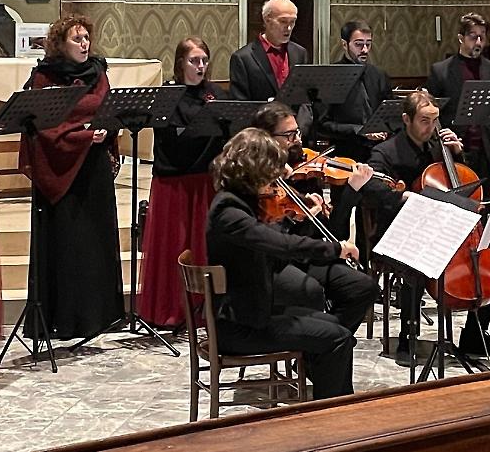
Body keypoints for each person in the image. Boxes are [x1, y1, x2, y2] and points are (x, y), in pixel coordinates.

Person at [354, 91, 490, 361]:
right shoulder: (386, 152)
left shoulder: (440, 148)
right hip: (401, 229)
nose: (432, 127)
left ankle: (475, 334)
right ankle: (408, 337)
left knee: (487, 251)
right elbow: (370, 187)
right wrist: (401, 196)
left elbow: (463, 185)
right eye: (425, 121)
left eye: (435, 120)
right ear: (407, 119)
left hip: (443, 225)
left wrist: (459, 155)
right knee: (417, 262)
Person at [206, 127, 359, 400]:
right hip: (240, 328)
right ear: (254, 169)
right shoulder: (229, 212)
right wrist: (335, 249)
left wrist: (295, 220)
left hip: (251, 314)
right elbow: (280, 246)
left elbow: (274, 248)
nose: (276, 178)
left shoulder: (240, 204)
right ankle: (333, 413)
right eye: (271, 170)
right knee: (337, 338)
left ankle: (330, 401)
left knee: (336, 328)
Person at [18, 15, 124, 342]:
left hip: (93, 168)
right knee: (68, 243)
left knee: (96, 241)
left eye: (86, 38)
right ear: (60, 44)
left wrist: (109, 127)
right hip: (61, 168)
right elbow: (43, 125)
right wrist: (80, 136)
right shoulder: (44, 76)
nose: (84, 44)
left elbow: (108, 108)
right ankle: (65, 319)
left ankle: (100, 316)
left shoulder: (97, 72)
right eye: (77, 39)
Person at [250, 102, 379, 335]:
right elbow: (269, 239)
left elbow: (332, 233)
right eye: (289, 135)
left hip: (310, 257)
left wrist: (350, 191)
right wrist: (297, 218)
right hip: (278, 263)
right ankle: (326, 342)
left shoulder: (305, 173)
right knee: (311, 292)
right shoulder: (257, 180)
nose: (298, 140)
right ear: (266, 139)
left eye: (297, 132)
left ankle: (328, 343)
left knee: (364, 287)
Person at [139, 37, 227, 328]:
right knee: (174, 243)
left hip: (205, 179)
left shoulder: (215, 94)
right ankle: (171, 308)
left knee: (203, 243)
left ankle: (204, 309)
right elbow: (167, 140)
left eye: (204, 60)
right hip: (175, 181)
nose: (200, 66)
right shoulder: (168, 95)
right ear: (180, 64)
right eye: (194, 60)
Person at [314, 20, 391, 262]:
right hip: (345, 156)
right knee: (342, 214)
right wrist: (360, 131)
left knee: (376, 218)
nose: (365, 50)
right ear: (344, 44)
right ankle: (341, 263)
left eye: (368, 44)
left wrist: (386, 130)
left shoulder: (378, 75)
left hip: (376, 156)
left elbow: (387, 111)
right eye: (359, 44)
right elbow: (323, 124)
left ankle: (373, 265)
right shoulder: (332, 76)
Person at [426, 12, 490, 191]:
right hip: (453, 152)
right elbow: (433, 115)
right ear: (461, 38)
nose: (478, 42)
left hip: (486, 151)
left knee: (487, 202)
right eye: (473, 37)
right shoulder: (440, 71)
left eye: (482, 37)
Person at [228, 0, 309, 102]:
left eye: (292, 22)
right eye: (283, 21)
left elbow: (305, 98)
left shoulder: (300, 53)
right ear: (267, 20)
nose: (289, 28)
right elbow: (240, 104)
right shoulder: (242, 58)